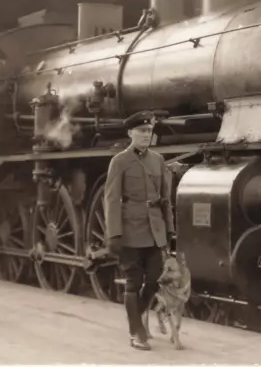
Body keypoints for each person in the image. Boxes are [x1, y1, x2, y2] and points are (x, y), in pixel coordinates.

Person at [104, 110, 175, 350]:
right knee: (133, 282)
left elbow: (165, 199)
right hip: (130, 230)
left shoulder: (158, 160)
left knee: (155, 280)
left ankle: (136, 317)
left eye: (149, 131)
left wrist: (169, 229)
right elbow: (111, 199)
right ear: (130, 133)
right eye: (141, 131)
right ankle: (136, 332)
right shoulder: (120, 161)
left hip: (154, 230)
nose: (146, 135)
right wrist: (114, 234)